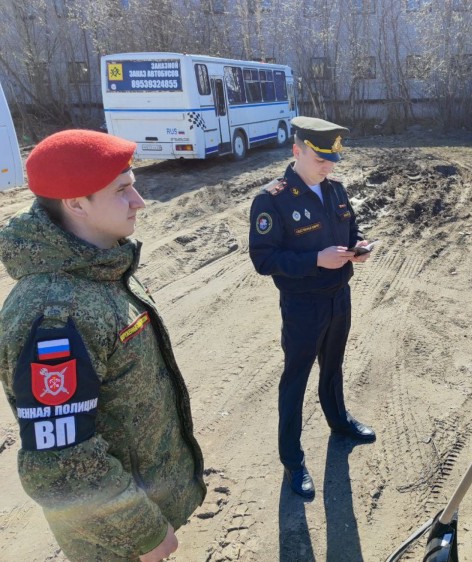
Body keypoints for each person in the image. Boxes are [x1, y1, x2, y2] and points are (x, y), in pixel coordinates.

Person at [0, 130, 206, 562]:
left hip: (140, 510)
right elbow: (59, 464)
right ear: (76, 204)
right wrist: (144, 533)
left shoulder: (98, 266)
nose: (140, 202)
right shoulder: (55, 314)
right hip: (117, 541)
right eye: (122, 190)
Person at [248, 116, 376, 499]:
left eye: (333, 158)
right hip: (303, 305)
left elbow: (350, 231)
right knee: (296, 379)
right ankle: (292, 460)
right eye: (320, 158)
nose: (329, 165)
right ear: (296, 151)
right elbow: (263, 260)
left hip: (339, 296)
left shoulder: (335, 190)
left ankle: (339, 421)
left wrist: (359, 247)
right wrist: (316, 260)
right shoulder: (272, 199)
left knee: (333, 366)